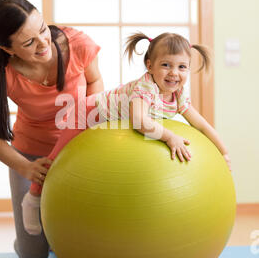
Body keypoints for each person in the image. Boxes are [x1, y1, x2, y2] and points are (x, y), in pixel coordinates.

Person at [21, 31, 231, 236]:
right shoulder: (146, 87)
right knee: (56, 158)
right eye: (166, 65)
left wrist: (223, 153)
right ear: (150, 66)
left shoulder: (177, 94)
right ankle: (32, 199)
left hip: (110, 130)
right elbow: (139, 121)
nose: (174, 73)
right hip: (87, 114)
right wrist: (169, 137)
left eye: (182, 67)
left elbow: (201, 125)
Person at [0, 0, 104, 258]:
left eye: (43, 29)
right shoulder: (1, 74)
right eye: (28, 42)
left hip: (76, 153)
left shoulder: (77, 45)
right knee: (33, 257)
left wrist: (90, 128)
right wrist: (25, 168)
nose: (43, 43)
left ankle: (55, 235)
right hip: (31, 158)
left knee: (83, 244)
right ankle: (32, 240)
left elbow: (95, 82)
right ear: (8, 49)